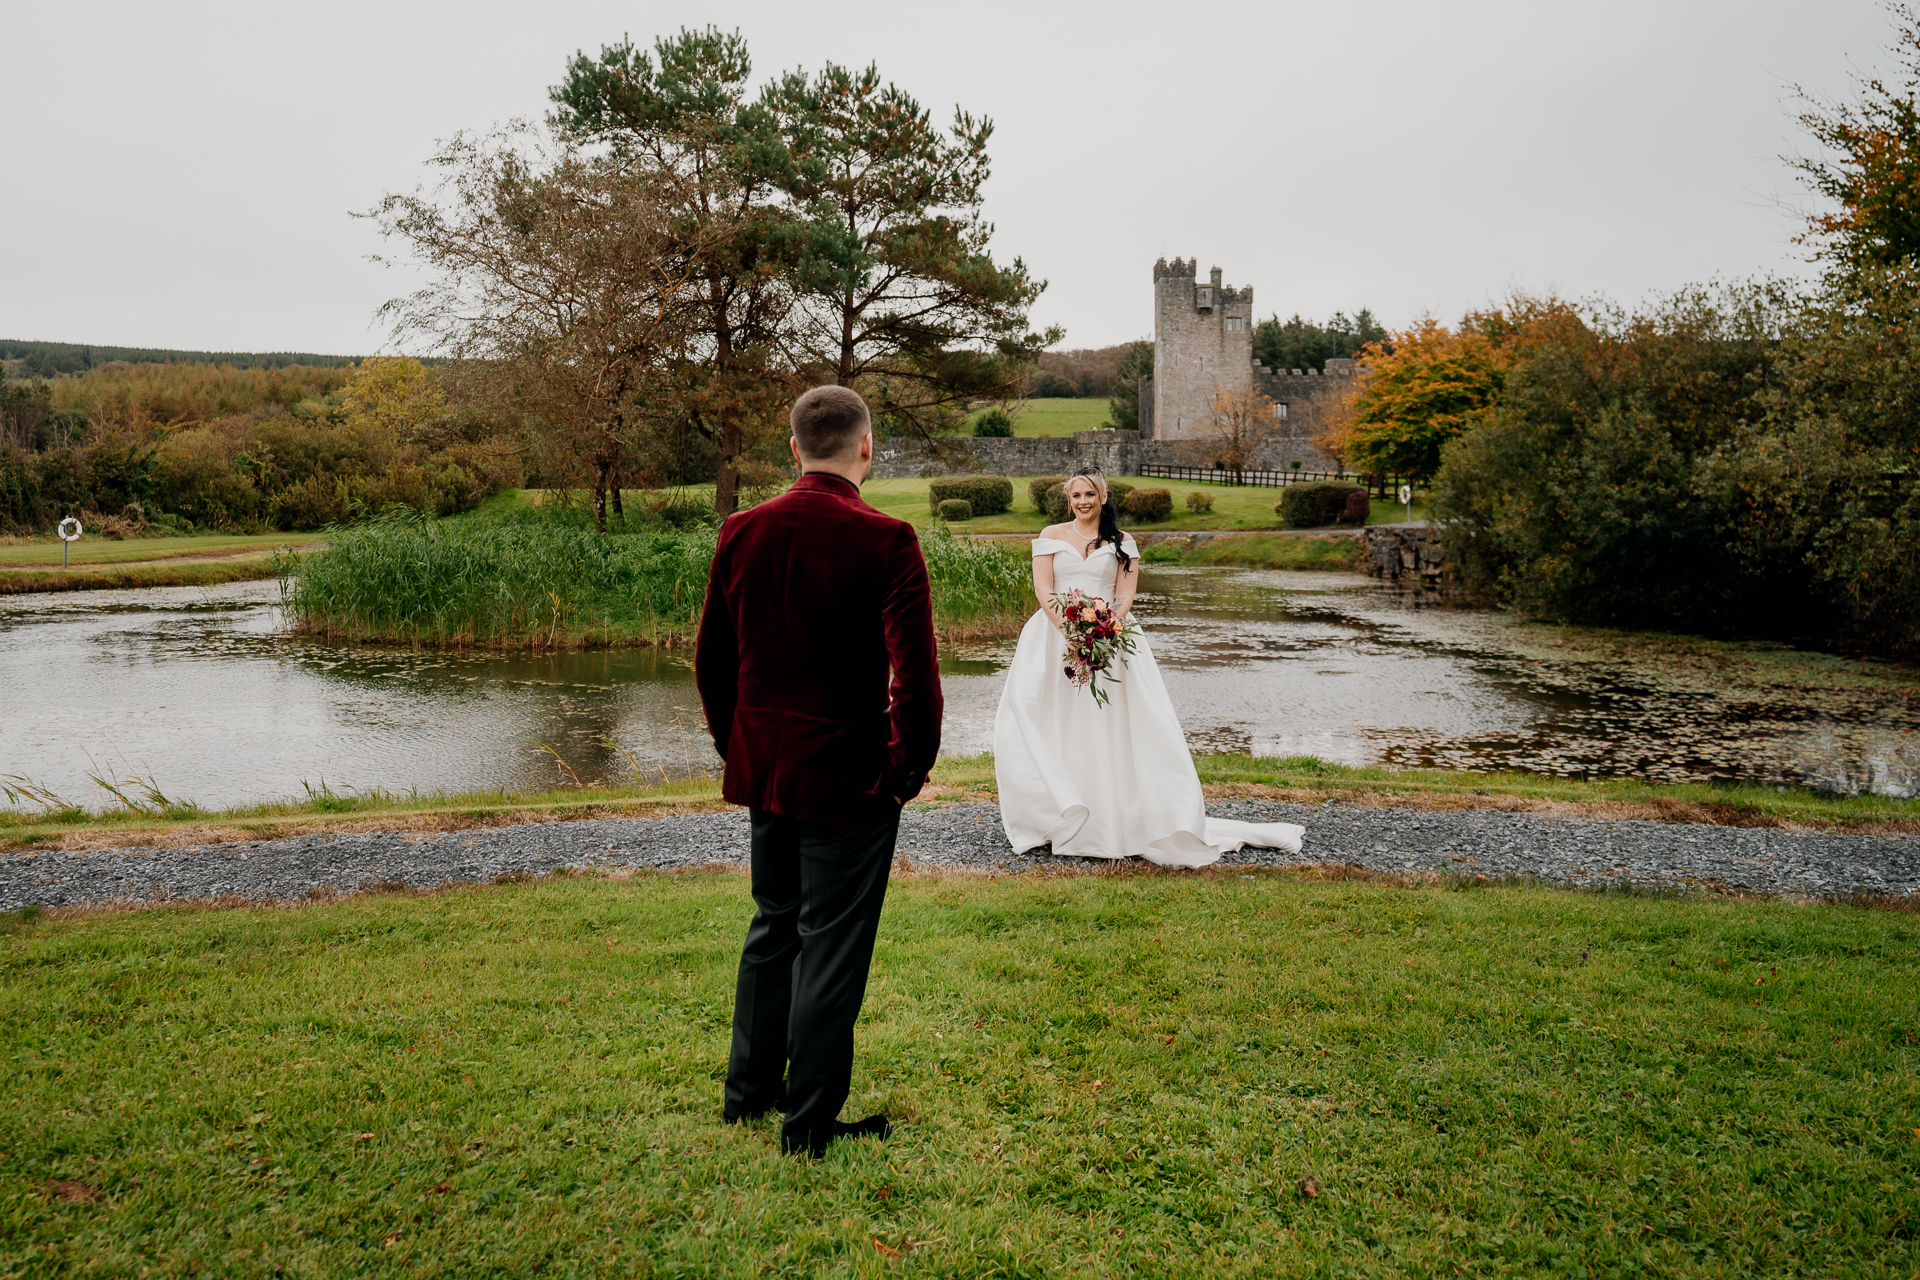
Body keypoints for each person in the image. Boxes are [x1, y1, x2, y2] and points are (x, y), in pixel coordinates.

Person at [695, 385, 943, 1157]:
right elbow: (918, 677)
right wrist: (905, 767)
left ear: (794, 447)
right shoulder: (889, 538)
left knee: (773, 928)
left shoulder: (743, 529)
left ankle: (748, 1096)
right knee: (830, 942)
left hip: (768, 766)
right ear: (867, 448)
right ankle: (805, 1126)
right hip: (850, 775)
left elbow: (712, 664)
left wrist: (738, 747)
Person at [993, 467, 1304, 866]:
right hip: (1054, 637)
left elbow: (1124, 596)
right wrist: (1069, 631)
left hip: (1111, 637)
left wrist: (1104, 629)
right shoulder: (1051, 536)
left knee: (1112, 722)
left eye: (1090, 494)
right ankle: (1056, 813)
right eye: (1076, 496)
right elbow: (1043, 588)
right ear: (1068, 500)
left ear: (1103, 497)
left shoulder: (1124, 543)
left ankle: (1114, 815)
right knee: (1047, 715)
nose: (1083, 502)